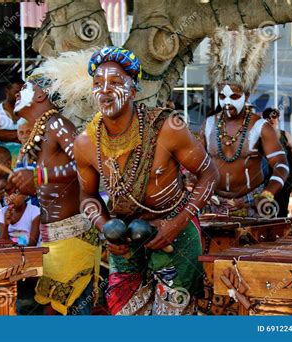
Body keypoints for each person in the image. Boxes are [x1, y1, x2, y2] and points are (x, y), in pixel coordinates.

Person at [75, 46, 218, 315]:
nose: (105, 90)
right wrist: (106, 228)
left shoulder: (167, 127)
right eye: (97, 84)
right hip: (125, 242)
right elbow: (87, 196)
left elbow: (210, 173)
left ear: (132, 90)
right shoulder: (85, 143)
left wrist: (176, 224)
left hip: (175, 232)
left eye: (115, 83)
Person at [9, 49, 101, 315]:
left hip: (73, 236)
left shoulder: (57, 124)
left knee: (68, 310)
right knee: (54, 309)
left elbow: (88, 165)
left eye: (25, 88)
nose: (17, 93)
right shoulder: (44, 128)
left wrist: (38, 177)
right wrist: (23, 188)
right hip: (55, 238)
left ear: (40, 96)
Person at [200, 27, 288, 218]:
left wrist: (267, 194)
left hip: (251, 204)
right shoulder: (208, 125)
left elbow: (281, 165)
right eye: (222, 96)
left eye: (234, 96)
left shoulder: (261, 127)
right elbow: (195, 165)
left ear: (247, 95)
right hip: (212, 205)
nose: (227, 102)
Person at [263, 108, 292, 217]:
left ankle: (281, 232)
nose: (271, 119)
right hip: (268, 179)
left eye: (274, 117)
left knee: (282, 208)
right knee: (268, 208)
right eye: (268, 117)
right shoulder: (261, 135)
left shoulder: (285, 135)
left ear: (278, 119)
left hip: (285, 178)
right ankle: (269, 232)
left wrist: (291, 149)